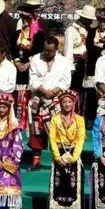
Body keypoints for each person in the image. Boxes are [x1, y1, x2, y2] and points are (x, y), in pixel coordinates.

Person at [27, 36, 72, 170]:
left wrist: (53, 92)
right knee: (36, 131)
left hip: (56, 100)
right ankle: (36, 161)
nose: (47, 53)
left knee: (59, 130)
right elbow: (32, 80)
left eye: (50, 51)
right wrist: (43, 91)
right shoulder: (35, 59)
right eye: (45, 50)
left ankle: (59, 160)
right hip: (38, 98)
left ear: (56, 49)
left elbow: (66, 81)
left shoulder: (64, 62)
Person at [46, 90, 85, 209]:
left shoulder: (79, 120)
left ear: (73, 103)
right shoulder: (55, 119)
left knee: (73, 187)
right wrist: (58, 158)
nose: (67, 104)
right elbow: (52, 139)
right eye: (64, 102)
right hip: (59, 154)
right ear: (60, 104)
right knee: (59, 186)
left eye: (69, 102)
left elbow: (80, 140)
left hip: (74, 154)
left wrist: (74, 158)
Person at [13, 0, 47, 129]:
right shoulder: (18, 32)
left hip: (32, 67)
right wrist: (16, 61)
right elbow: (12, 47)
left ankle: (29, 121)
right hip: (18, 67)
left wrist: (29, 63)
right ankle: (17, 119)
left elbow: (41, 50)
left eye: (27, 18)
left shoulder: (40, 31)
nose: (24, 21)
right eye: (23, 18)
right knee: (18, 93)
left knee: (30, 93)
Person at [83, 8, 105, 127]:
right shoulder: (91, 32)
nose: (102, 23)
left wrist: (101, 50)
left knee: (103, 96)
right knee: (90, 96)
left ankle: (103, 122)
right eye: (100, 20)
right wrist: (100, 50)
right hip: (91, 68)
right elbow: (89, 48)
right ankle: (89, 122)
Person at [64, 5, 96, 100]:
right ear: (82, 18)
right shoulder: (71, 30)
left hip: (87, 65)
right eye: (88, 19)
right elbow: (68, 51)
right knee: (74, 91)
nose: (90, 22)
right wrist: (70, 69)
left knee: (86, 91)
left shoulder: (90, 31)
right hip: (75, 65)